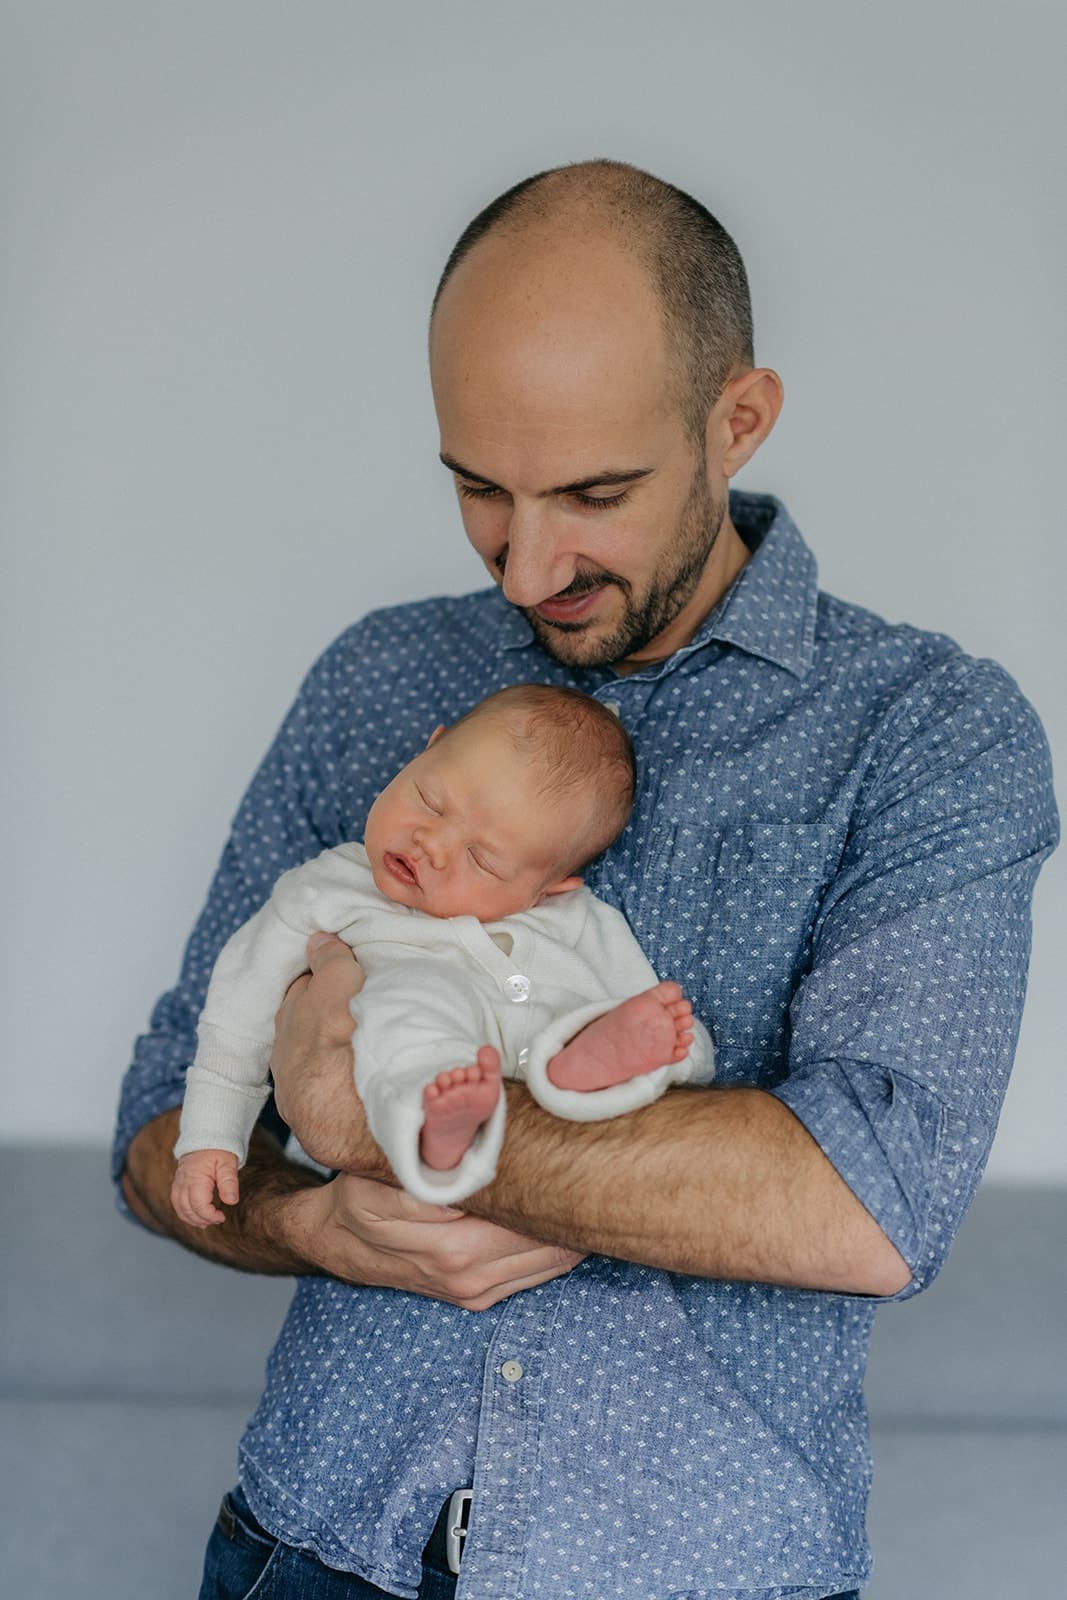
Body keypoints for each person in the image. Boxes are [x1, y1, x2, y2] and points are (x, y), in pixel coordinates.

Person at [115, 159, 1058, 1600]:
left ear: (734, 420)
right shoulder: (382, 680)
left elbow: (864, 1208)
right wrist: (307, 1219)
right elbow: (162, 1123)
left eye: (592, 493)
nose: (525, 564)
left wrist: (366, 1128)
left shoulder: (926, 731)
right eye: (478, 490)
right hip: (309, 1546)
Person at [171, 684, 713, 1221]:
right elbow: (237, 1016)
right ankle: (432, 1125)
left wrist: (675, 1053)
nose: (430, 844)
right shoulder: (327, 889)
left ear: (548, 889)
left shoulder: (577, 920)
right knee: (412, 997)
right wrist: (211, 1136)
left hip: (562, 1159)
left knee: (606, 1023)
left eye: (483, 860)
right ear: (426, 750)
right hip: (410, 1089)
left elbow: (654, 1014)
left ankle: (574, 1071)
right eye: (429, 801)